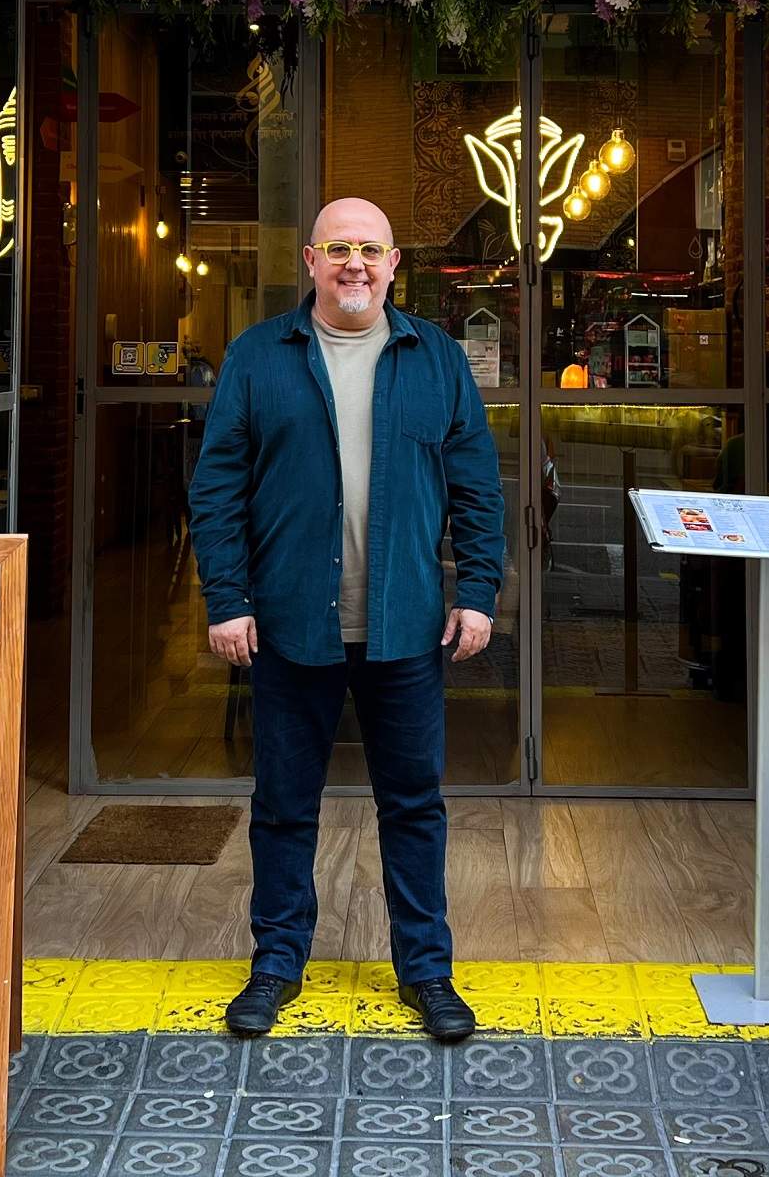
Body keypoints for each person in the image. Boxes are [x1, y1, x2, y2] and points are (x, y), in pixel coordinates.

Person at [187, 197, 506, 1042]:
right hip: (293, 624)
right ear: (311, 259)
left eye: (370, 249)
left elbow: (477, 486)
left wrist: (477, 590)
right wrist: (228, 598)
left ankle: (428, 972)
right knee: (284, 804)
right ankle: (277, 963)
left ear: (396, 262)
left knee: (413, 804)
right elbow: (216, 489)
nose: (355, 264)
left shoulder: (435, 357)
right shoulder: (260, 356)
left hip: (406, 626)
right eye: (339, 248)